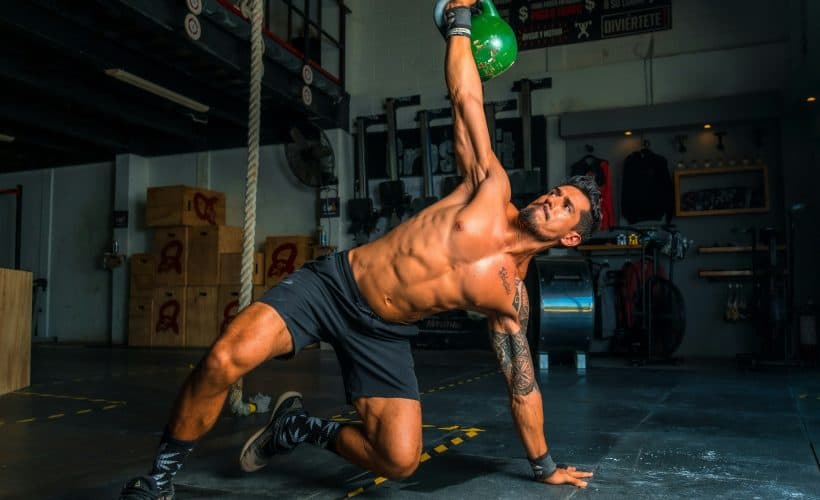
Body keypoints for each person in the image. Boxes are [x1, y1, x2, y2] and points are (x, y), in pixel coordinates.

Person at [119, 2, 600, 498]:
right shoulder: (490, 188)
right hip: (333, 287)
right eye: (555, 193)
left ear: (570, 237)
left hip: (384, 335)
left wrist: (544, 467)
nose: (549, 200)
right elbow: (466, 98)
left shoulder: (510, 297)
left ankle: (299, 428)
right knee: (223, 359)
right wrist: (458, 21)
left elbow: (522, 387)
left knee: (400, 459)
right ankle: (157, 482)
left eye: (564, 206)